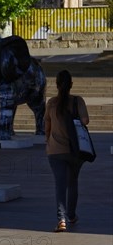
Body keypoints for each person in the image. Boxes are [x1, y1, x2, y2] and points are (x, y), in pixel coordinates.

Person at [45, 70, 89, 232]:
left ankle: (61, 219)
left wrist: (47, 142)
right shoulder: (77, 101)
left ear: (56, 85)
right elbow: (85, 120)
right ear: (71, 85)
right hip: (75, 150)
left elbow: (47, 126)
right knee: (73, 183)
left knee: (60, 184)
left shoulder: (51, 103)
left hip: (55, 150)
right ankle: (71, 214)